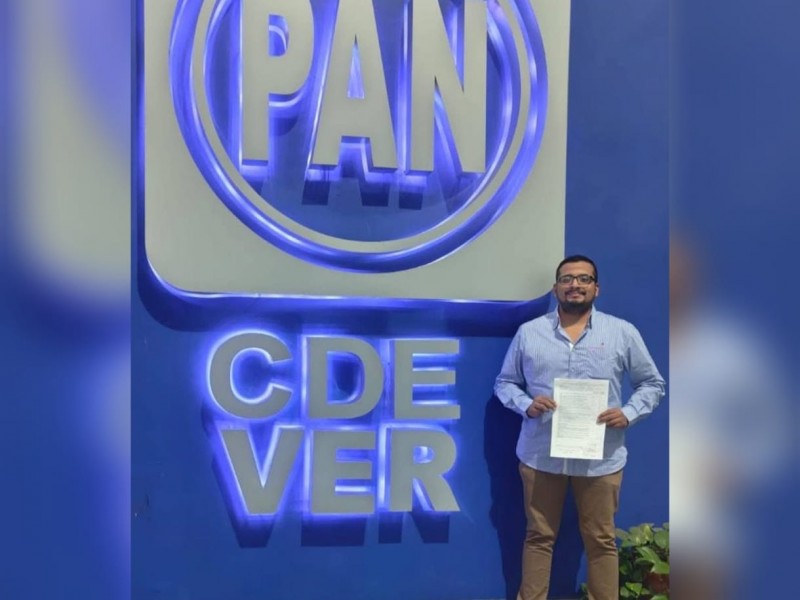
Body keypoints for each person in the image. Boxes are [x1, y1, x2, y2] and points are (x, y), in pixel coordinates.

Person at [494, 255, 665, 600]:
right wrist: (526, 404)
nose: (575, 285)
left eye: (584, 279)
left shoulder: (621, 332)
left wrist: (628, 413)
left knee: (601, 541)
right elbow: (505, 382)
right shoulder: (530, 333)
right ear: (556, 287)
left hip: (601, 456)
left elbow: (652, 384)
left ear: (596, 288)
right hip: (541, 454)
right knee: (538, 537)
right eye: (567, 279)